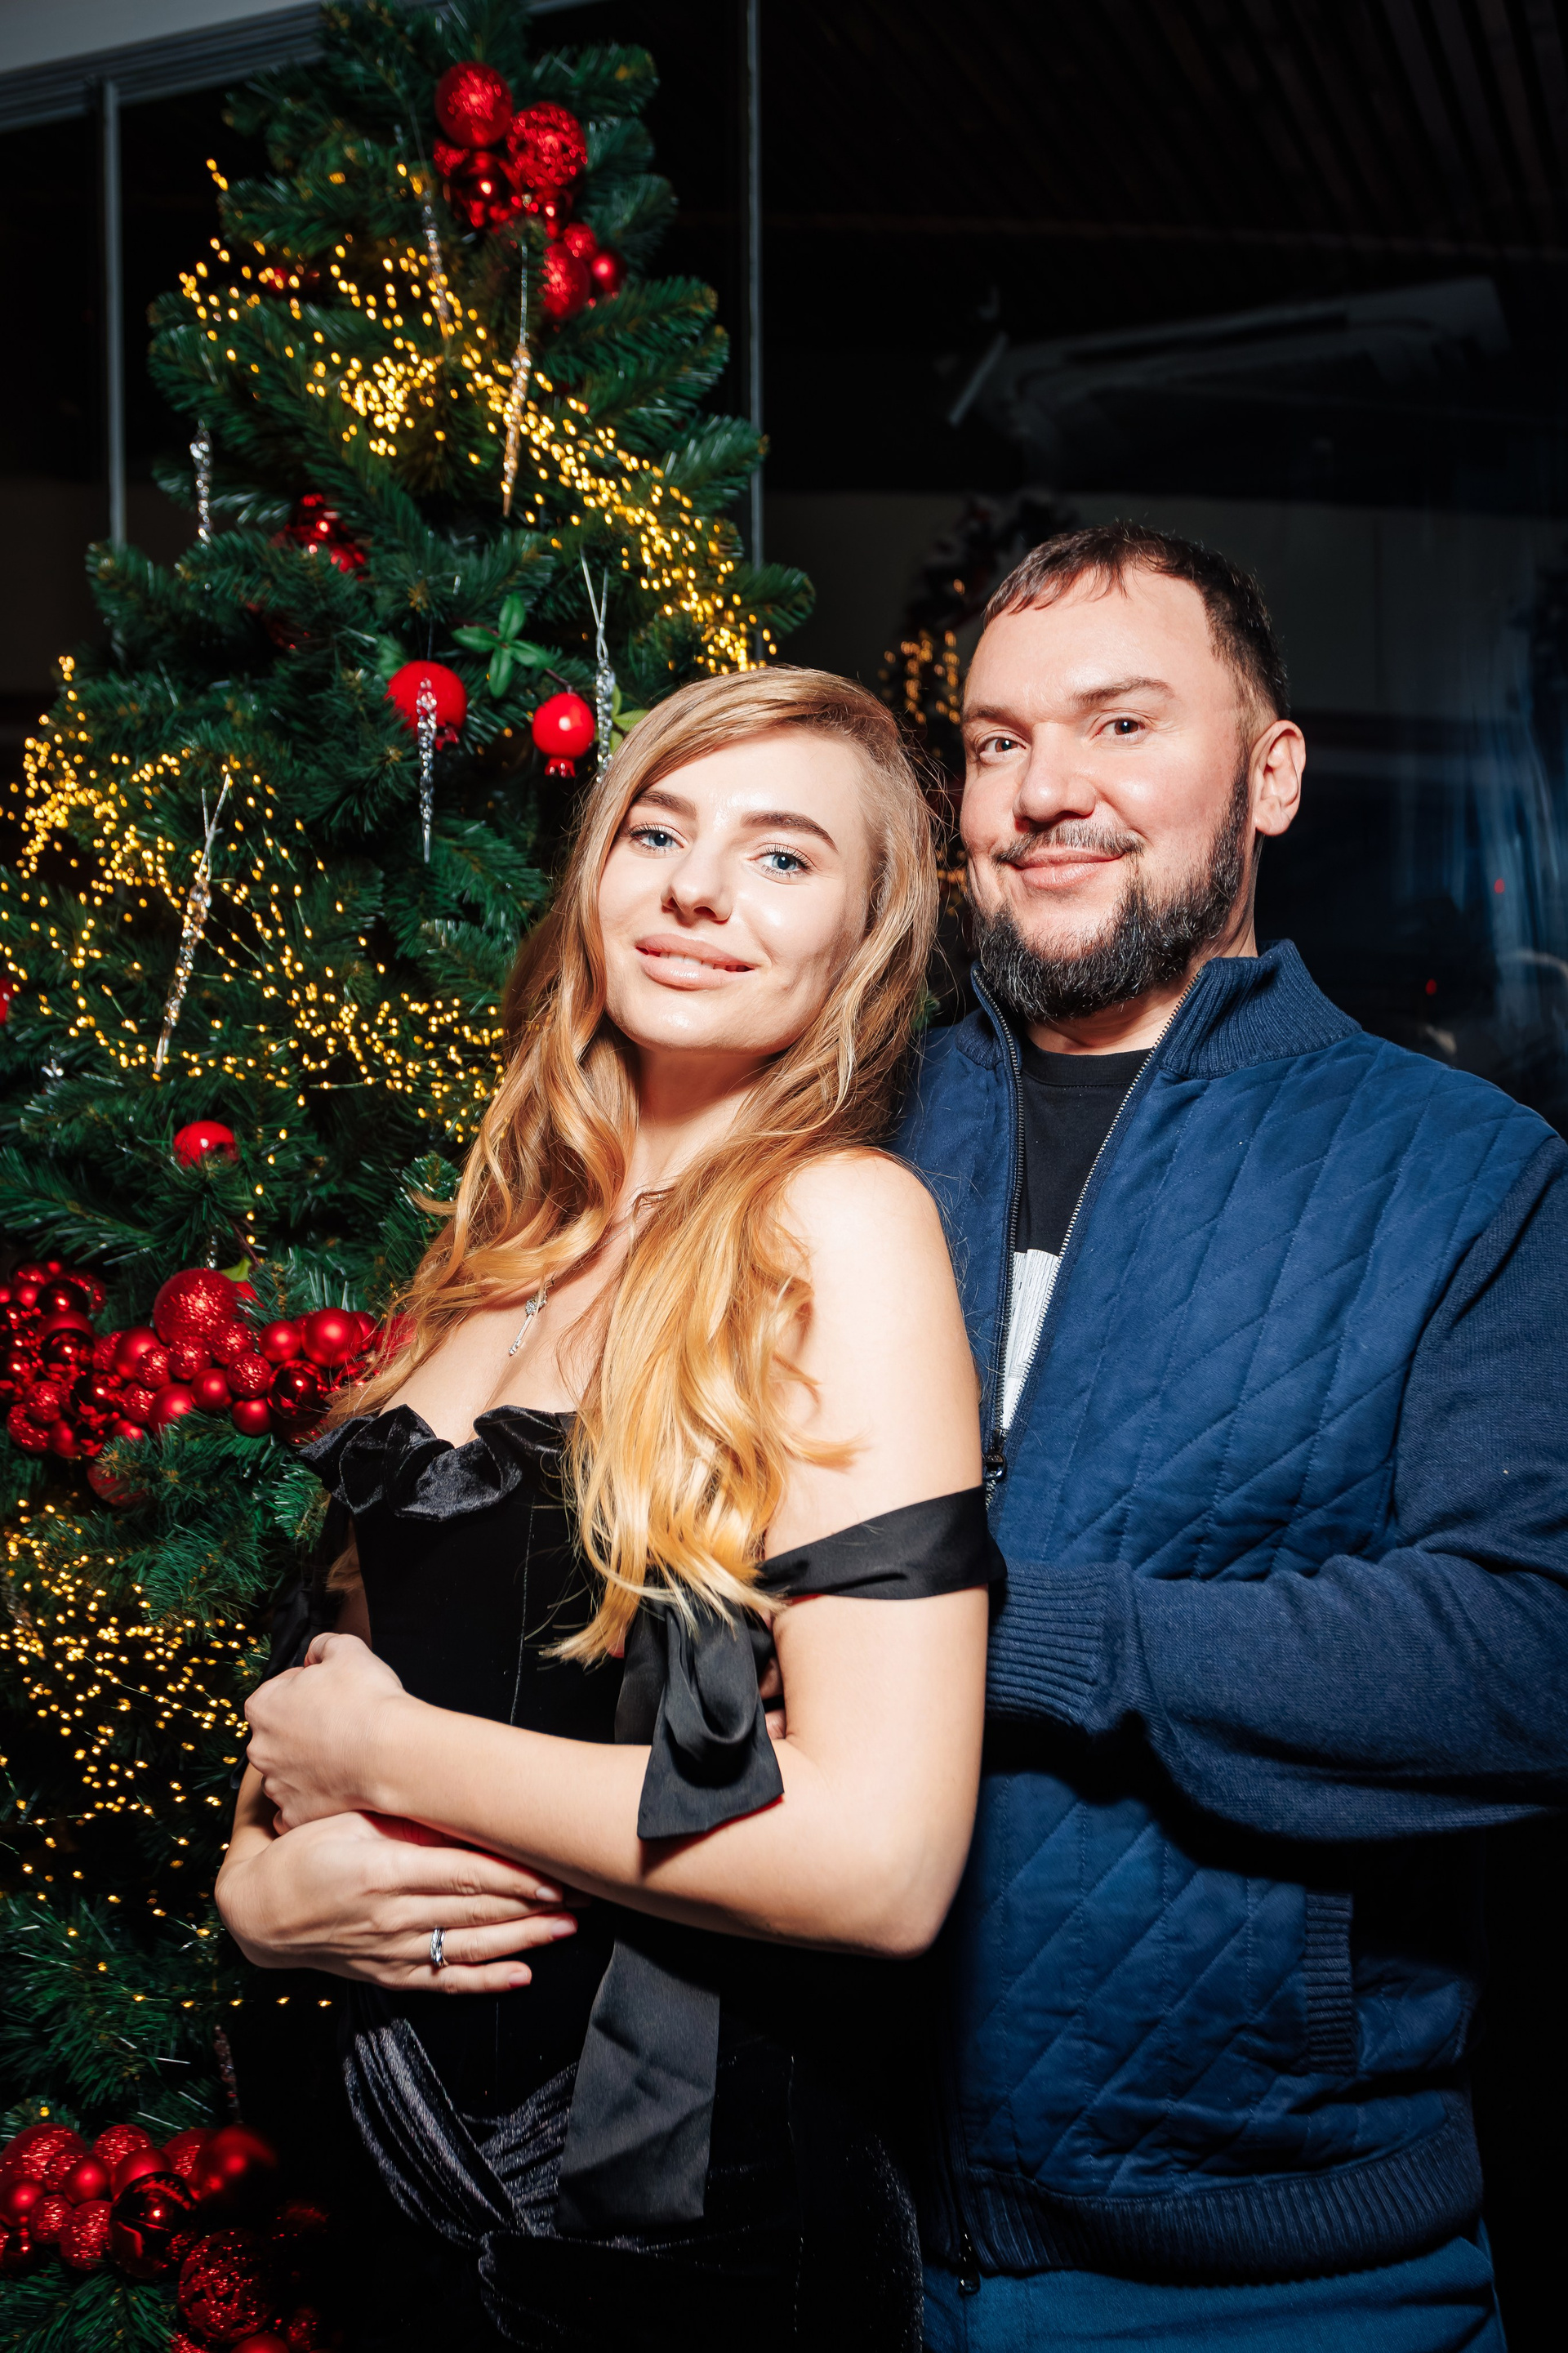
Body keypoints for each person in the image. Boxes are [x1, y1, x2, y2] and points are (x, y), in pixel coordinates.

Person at [216, 667, 993, 2353]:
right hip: (402, 2224)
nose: (699, 888)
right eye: (659, 830)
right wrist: (255, 1896)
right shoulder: (499, 1244)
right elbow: (331, 1695)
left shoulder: (840, 1227)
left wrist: (395, 1764)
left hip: (682, 2243)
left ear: (862, 941)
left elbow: (885, 1862)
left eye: (782, 857)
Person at [897, 522, 1568, 2353]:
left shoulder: (1465, 1174)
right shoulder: (843, 1130)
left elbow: (1526, 1651)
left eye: (1122, 724)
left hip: (1283, 2272)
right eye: (1000, 739)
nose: (1048, 790)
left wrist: (1020, 1636)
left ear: (1271, 775)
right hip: (835, 2240)